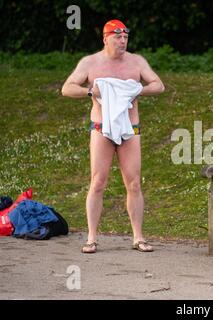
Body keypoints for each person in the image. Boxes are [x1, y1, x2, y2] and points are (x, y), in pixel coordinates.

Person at [61, 19, 165, 253]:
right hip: (101, 128)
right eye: (118, 37)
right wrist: (91, 91)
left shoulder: (136, 62)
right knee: (97, 182)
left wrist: (138, 89)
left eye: (126, 37)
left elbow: (159, 85)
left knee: (134, 183)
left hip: (130, 128)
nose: (123, 41)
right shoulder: (91, 62)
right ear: (106, 38)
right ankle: (91, 238)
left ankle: (138, 237)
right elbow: (67, 88)